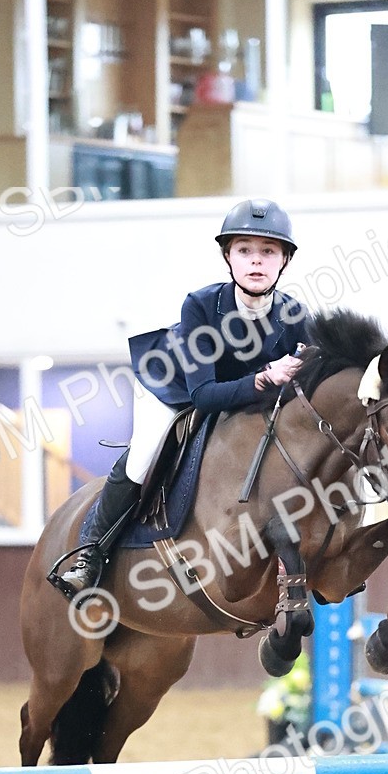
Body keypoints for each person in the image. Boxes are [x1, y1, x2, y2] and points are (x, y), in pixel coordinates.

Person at [53, 198, 309, 599]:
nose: (256, 261)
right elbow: (203, 396)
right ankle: (90, 554)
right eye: (244, 250)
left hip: (243, 398)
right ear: (228, 257)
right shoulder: (201, 306)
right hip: (173, 388)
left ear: (285, 261)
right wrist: (265, 378)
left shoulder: (296, 315)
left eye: (268, 251)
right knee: (144, 456)